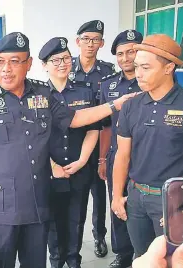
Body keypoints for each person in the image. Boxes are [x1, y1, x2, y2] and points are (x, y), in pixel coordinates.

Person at [0, 32, 134, 268]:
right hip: (1, 204)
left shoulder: (42, 94)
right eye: (0, 62)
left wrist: (115, 104)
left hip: (37, 200)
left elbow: (75, 118)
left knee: (36, 262)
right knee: (2, 262)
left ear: (29, 64)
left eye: (14, 61)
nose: (6, 69)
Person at [111, 34, 183, 257]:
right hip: (137, 197)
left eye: (146, 67)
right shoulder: (132, 105)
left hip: (175, 199)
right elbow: (122, 154)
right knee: (142, 256)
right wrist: (117, 195)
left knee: (175, 258)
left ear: (168, 68)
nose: (138, 73)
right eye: (137, 66)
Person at [39, 37, 99, 268]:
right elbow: (35, 135)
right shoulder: (38, 95)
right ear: (44, 65)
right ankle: (56, 262)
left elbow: (93, 129)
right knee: (53, 223)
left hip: (79, 169)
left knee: (76, 221)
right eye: (56, 60)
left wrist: (83, 160)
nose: (63, 63)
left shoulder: (85, 91)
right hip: (50, 171)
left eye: (66, 58)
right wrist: (52, 165)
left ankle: (74, 262)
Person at [70, 20, 115, 257]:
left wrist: (103, 155)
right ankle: (73, 244)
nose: (90, 44)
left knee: (99, 194)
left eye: (95, 39)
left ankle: (99, 237)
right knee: (76, 199)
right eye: (86, 39)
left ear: (102, 43)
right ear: (78, 41)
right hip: (74, 142)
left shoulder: (108, 72)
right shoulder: (67, 68)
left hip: (101, 142)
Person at [98, 29, 143, 267]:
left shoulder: (150, 81)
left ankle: (142, 252)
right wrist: (103, 159)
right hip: (117, 156)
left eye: (132, 52)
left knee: (141, 206)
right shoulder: (108, 85)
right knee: (117, 202)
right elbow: (105, 127)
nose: (126, 58)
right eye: (120, 53)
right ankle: (123, 253)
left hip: (145, 156)